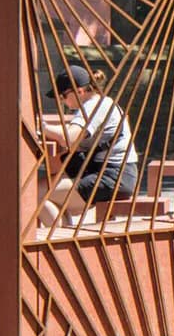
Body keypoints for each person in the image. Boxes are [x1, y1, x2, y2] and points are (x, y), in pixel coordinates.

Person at [38, 65, 139, 227]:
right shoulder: (101, 103)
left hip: (112, 177)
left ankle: (58, 241)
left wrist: (41, 127)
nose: (62, 101)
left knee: (36, 194)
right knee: (44, 187)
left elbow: (69, 138)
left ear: (79, 91)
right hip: (111, 174)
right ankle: (62, 238)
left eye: (63, 96)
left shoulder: (94, 106)